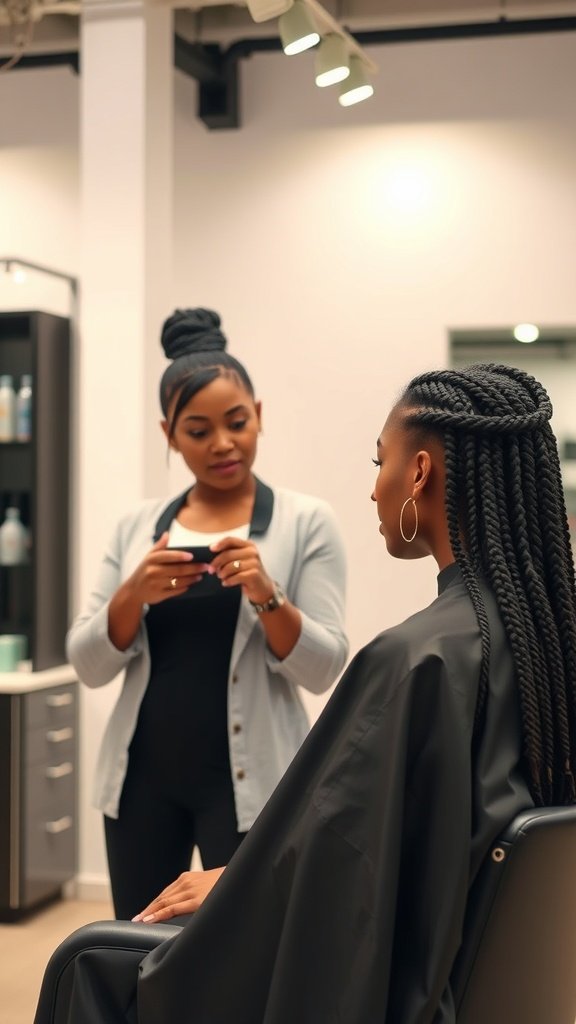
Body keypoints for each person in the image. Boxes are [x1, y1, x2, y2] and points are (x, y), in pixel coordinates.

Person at [132, 362, 576, 1024]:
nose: (374, 492)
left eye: (381, 462)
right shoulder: (545, 645)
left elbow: (346, 867)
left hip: (398, 989)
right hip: (468, 985)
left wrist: (239, 879)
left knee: (96, 960)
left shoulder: (416, 659)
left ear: (419, 473)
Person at [66, 307, 348, 922]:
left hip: (255, 787)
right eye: (198, 430)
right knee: (136, 952)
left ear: (259, 416)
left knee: (243, 950)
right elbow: (86, 664)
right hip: (140, 788)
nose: (222, 444)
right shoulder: (137, 528)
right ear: (168, 434)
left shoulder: (305, 522)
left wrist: (267, 593)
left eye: (237, 422)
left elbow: (323, 668)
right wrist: (131, 596)